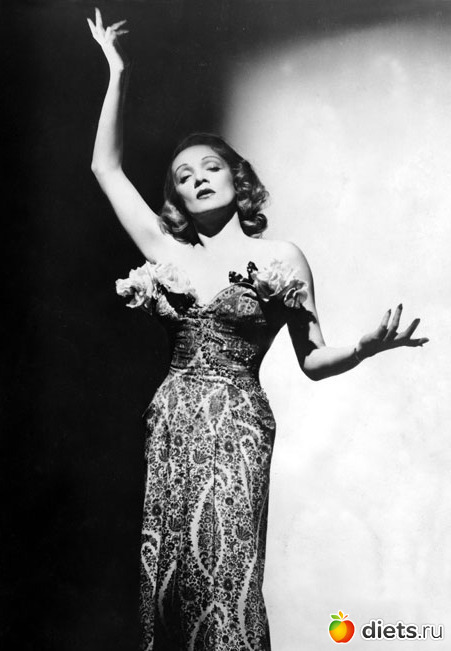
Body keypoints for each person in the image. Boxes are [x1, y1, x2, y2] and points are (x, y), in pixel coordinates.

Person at [87, 9, 428, 651]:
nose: (197, 179)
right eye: (183, 177)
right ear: (177, 200)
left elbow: (312, 359)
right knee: (170, 580)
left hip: (239, 424)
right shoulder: (166, 251)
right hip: (174, 420)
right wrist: (117, 72)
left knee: (229, 579)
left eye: (209, 168)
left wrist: (362, 348)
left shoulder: (281, 260)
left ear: (236, 178)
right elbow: (106, 169)